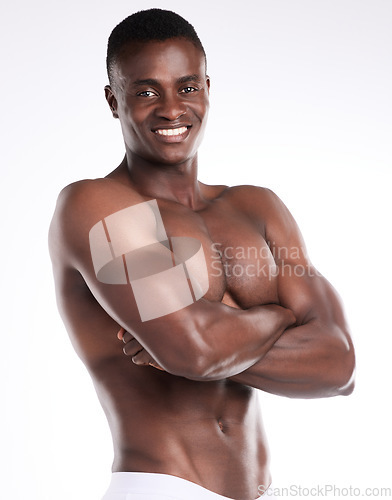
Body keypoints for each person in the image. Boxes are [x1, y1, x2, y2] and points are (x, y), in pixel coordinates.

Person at [48, 8, 355, 500]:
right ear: (113, 100)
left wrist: (198, 345)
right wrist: (278, 317)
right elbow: (193, 348)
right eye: (146, 92)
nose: (172, 109)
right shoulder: (99, 204)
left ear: (208, 88)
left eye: (186, 87)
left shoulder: (256, 206)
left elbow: (339, 365)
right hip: (160, 487)